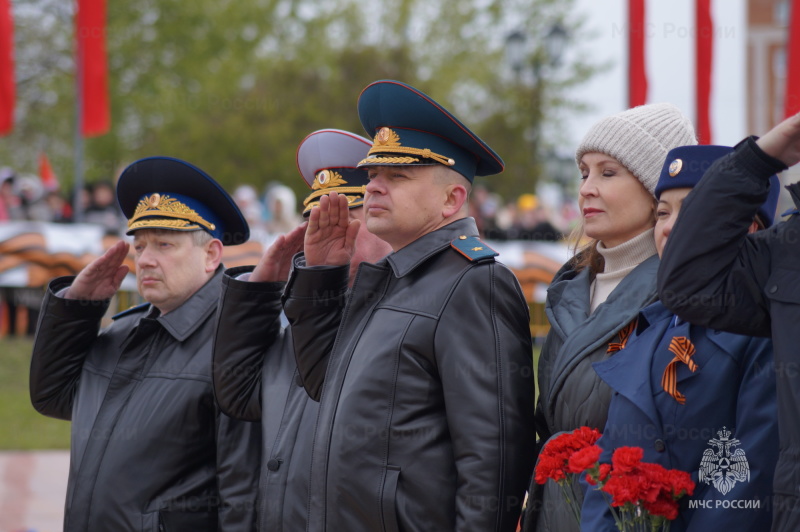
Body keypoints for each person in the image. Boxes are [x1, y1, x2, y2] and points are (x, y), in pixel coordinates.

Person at [281, 80, 535, 531]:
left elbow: (491, 468)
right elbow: (323, 384)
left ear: (451, 199)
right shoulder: (390, 279)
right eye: (373, 175)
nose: (373, 187)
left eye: (396, 177)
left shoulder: (475, 282)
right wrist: (320, 277)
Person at [29, 156, 261, 532]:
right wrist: (77, 308)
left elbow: (243, 495)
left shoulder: (232, 344)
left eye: (164, 245)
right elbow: (52, 396)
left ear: (211, 254)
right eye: (139, 246)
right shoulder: (124, 333)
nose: (146, 260)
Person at [581, 145, 781, 531]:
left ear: (750, 227)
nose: (669, 227)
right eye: (662, 213)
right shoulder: (647, 327)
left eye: (692, 210)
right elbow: (607, 468)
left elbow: (749, 480)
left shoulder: (767, 334)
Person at [524, 102, 697, 532]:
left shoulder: (687, 295)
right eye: (584, 172)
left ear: (657, 189)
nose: (585, 188)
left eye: (607, 172)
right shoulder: (568, 287)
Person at [212, 128, 393, 531]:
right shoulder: (297, 319)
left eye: (344, 218)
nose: (324, 233)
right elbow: (237, 396)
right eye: (314, 219)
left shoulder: (404, 316)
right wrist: (259, 289)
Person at [658, 113, 800, 531]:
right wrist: (756, 161)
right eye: (661, 212)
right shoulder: (789, 248)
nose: (668, 227)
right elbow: (688, 283)